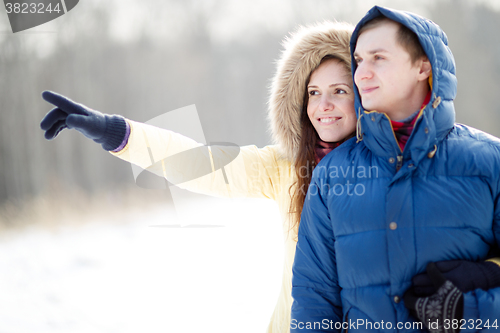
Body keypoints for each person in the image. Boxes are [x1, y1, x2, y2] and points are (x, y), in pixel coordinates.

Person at [40, 21, 356, 333]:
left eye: (339, 91)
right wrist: (116, 131)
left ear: (363, 95)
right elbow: (198, 164)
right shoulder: (286, 168)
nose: (323, 105)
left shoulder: (393, 169)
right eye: (314, 92)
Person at [291, 6, 500, 333]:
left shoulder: (490, 162)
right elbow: (313, 300)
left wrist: (472, 309)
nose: (361, 73)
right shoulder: (332, 174)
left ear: (423, 65)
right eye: (359, 60)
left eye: (378, 58)